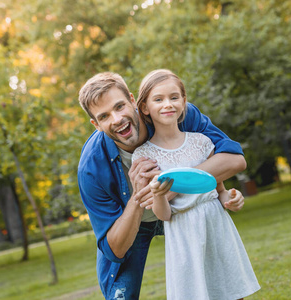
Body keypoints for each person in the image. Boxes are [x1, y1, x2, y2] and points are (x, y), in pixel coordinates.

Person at [78, 72, 247, 299]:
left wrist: (171, 187)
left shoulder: (173, 113)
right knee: (120, 294)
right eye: (105, 116)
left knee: (215, 280)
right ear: (96, 124)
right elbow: (115, 249)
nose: (117, 119)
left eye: (120, 106)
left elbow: (235, 159)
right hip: (134, 223)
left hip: (184, 209)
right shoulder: (91, 167)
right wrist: (139, 198)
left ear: (132, 100)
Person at [132, 69, 260, 299]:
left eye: (174, 97)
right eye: (158, 99)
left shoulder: (202, 142)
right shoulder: (145, 155)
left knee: (231, 291)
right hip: (184, 235)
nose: (167, 104)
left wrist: (230, 198)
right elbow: (164, 216)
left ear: (183, 101)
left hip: (216, 226)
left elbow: (218, 190)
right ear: (144, 107)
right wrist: (160, 195)